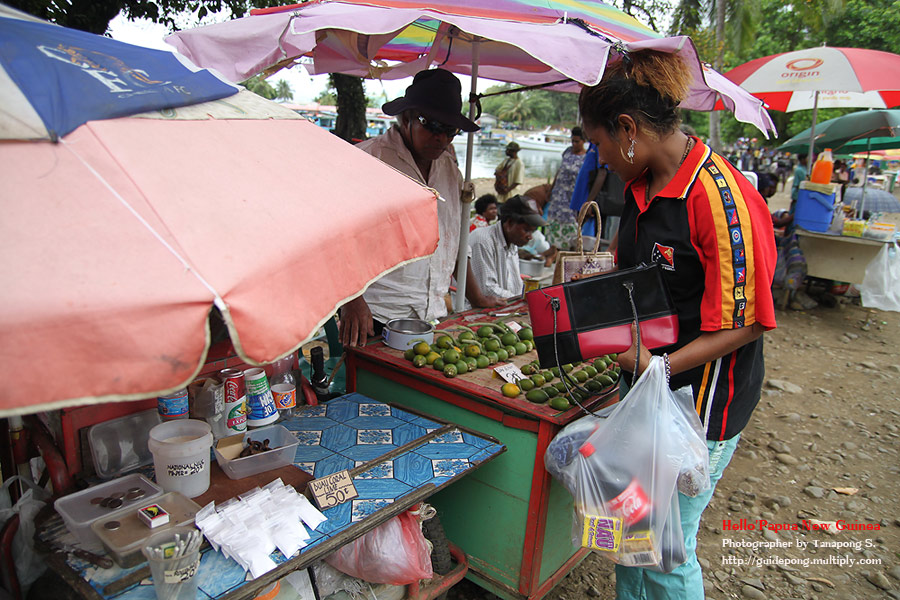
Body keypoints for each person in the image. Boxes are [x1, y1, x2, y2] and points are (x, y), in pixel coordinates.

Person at [578, 48, 777, 599]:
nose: (599, 161)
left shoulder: (721, 197)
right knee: (628, 530)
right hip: (645, 389)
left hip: (701, 405)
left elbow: (752, 320)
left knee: (667, 549)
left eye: (598, 145)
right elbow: (635, 283)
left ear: (627, 129)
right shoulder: (641, 189)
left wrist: (659, 365)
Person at [339, 69, 503, 347]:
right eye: (431, 125)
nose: (440, 138)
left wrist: (477, 297)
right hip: (375, 312)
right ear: (406, 118)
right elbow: (336, 236)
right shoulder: (367, 160)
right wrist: (352, 301)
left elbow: (456, 240)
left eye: (449, 130)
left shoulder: (451, 172)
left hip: (433, 313)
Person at [469, 195, 546, 299]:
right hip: (478, 310)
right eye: (526, 230)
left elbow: (515, 285)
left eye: (532, 231)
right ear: (509, 223)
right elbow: (487, 290)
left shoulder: (512, 242)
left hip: (506, 305)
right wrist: (521, 300)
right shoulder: (482, 240)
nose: (530, 236)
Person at [545, 126, 589, 249]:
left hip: (572, 196)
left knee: (570, 223)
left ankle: (566, 250)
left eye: (577, 141)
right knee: (554, 221)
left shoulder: (586, 157)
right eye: (572, 141)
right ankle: (553, 250)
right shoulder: (567, 152)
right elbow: (559, 171)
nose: (574, 144)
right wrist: (551, 189)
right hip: (559, 194)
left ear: (583, 141)